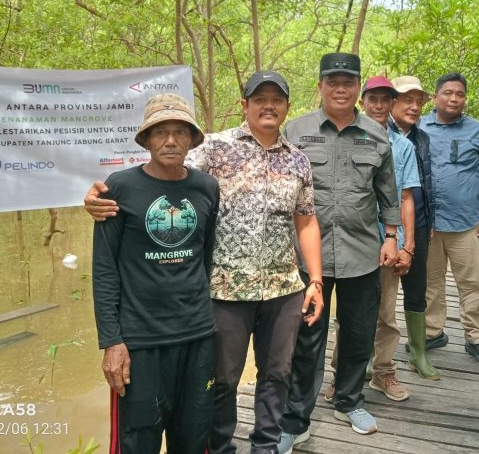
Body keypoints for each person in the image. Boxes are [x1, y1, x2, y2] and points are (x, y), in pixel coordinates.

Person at [86, 73, 325, 454]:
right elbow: (162, 168)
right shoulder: (213, 149)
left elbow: (305, 218)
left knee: (275, 375)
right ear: (243, 104)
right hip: (218, 293)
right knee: (220, 382)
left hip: (271, 292)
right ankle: (222, 447)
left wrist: (315, 279)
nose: (268, 105)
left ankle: (266, 445)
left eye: (276, 99)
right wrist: (101, 192)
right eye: (258, 98)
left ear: (286, 107)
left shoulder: (295, 160)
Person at [278, 53, 400, 450]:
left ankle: (350, 400)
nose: (341, 88)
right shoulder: (295, 131)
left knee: (359, 333)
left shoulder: (376, 135)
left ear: (358, 87)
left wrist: (392, 236)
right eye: (333, 81)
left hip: (362, 252)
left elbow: (388, 192)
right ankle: (297, 418)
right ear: (320, 86)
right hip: (306, 257)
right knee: (305, 337)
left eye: (348, 81)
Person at [92, 94, 220, 454]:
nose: (171, 140)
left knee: (194, 438)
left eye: (180, 132)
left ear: (192, 140)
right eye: (160, 132)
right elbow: (103, 270)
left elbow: (204, 257)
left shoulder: (206, 187)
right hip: (140, 342)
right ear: (146, 140)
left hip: (197, 336)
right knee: (138, 441)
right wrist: (111, 342)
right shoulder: (119, 188)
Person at [421, 72, 479, 365]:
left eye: (459, 94)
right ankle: (432, 332)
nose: (454, 98)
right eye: (448, 93)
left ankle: (476, 337)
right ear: (435, 97)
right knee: (431, 282)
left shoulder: (477, 132)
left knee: (472, 283)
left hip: (468, 222)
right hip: (428, 224)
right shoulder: (419, 127)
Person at [388, 75, 442, 370]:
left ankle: (418, 352)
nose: (414, 106)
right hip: (383, 224)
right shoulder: (377, 134)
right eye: (407, 100)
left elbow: (426, 184)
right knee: (377, 292)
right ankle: (371, 355)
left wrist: (429, 220)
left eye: (418, 101)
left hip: (418, 222)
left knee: (417, 287)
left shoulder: (421, 137)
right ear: (392, 101)